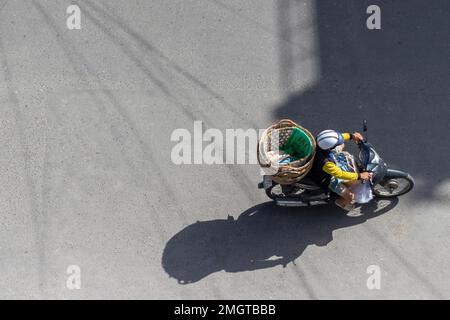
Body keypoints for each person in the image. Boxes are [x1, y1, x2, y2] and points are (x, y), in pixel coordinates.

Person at [310, 130, 372, 211]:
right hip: (328, 178)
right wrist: (360, 176)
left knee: (342, 144)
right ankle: (340, 202)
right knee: (350, 196)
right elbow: (340, 174)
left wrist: (351, 136)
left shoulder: (319, 140)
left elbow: (338, 138)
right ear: (329, 148)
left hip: (329, 159)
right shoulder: (326, 163)